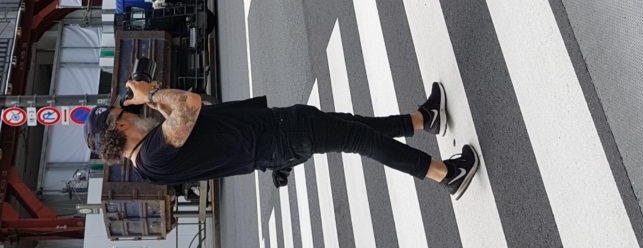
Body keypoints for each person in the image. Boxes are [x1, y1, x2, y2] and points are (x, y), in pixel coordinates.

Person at [86, 81, 480, 201]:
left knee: (351, 125)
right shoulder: (152, 156)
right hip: (276, 138)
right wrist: (152, 94)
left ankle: (421, 120)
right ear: (119, 128)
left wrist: (155, 101)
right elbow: (188, 105)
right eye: (125, 112)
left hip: (272, 132)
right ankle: (445, 175)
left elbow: (190, 117)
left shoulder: (151, 154)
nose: (134, 111)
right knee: (359, 140)